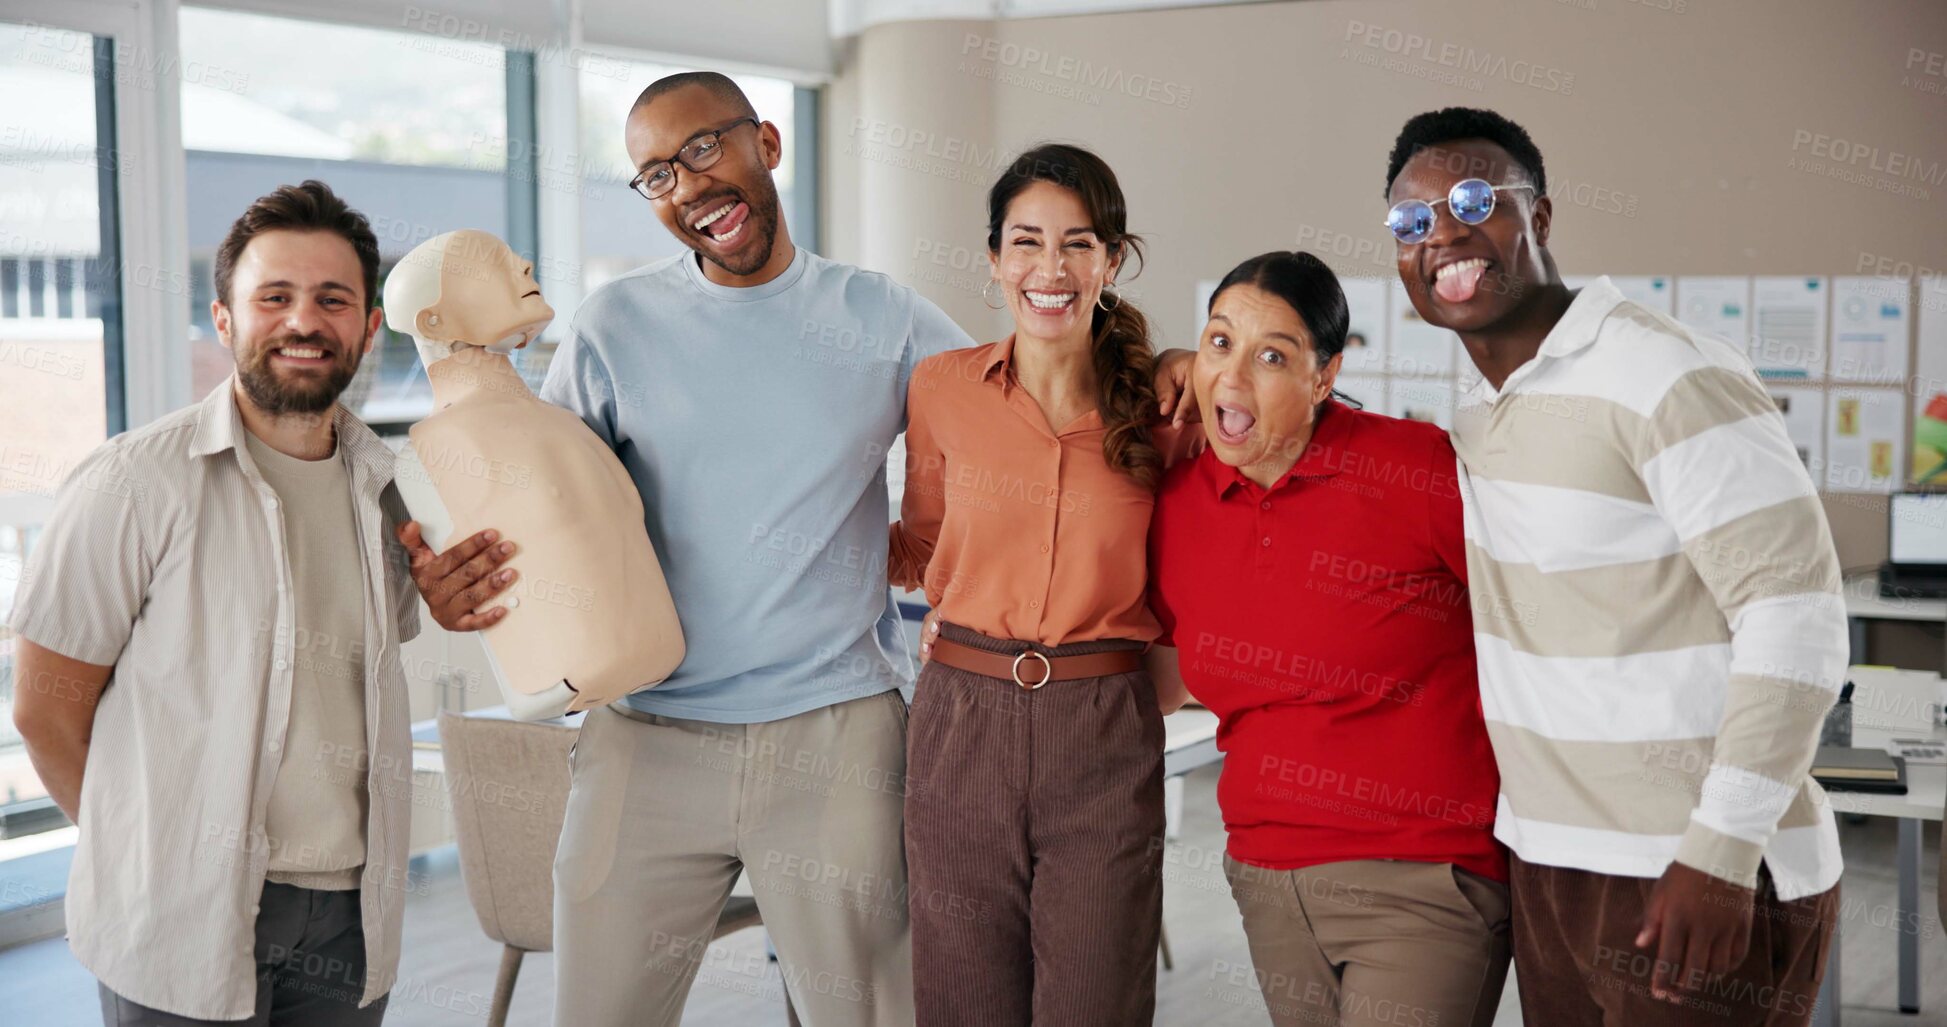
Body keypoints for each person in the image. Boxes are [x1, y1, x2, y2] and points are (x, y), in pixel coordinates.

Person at [394, 76, 1196, 1026]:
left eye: (703, 150)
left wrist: (1168, 367)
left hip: (837, 737)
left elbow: (1031, 387)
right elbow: (547, 517)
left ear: (766, 143)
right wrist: (456, 585)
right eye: (655, 175)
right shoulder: (613, 328)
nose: (688, 186)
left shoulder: (883, 318)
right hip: (644, 741)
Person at [1385, 106, 1845, 1025]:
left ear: (1540, 217)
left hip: (1691, 866)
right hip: (1549, 863)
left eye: (1475, 198)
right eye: (1410, 219)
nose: (1442, 232)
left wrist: (1718, 850)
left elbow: (1795, 616)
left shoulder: (1662, 372)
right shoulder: (1476, 408)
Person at [9, 180, 421, 1025]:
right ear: (225, 319)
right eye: (274, 297)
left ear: (369, 327)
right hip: (179, 916)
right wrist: (146, 859)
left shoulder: (390, 488)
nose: (304, 321)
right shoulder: (134, 481)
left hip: (352, 912)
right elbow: (46, 709)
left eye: (332, 299)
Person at [1146, 250, 1509, 1027]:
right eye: (1218, 343)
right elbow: (1160, 682)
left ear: (1323, 374)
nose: (1234, 376)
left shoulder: (1413, 469)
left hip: (1421, 873)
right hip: (1266, 880)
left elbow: (1540, 621)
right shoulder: (1176, 501)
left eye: (1271, 355)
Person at [890, 142, 1191, 1027]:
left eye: (1076, 244)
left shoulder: (1164, 408)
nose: (1048, 269)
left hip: (1102, 728)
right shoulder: (942, 387)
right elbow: (921, 544)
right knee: (961, 1000)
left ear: (1111, 259)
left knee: (1096, 998)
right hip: (958, 720)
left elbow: (1192, 570)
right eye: (1025, 243)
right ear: (993, 261)